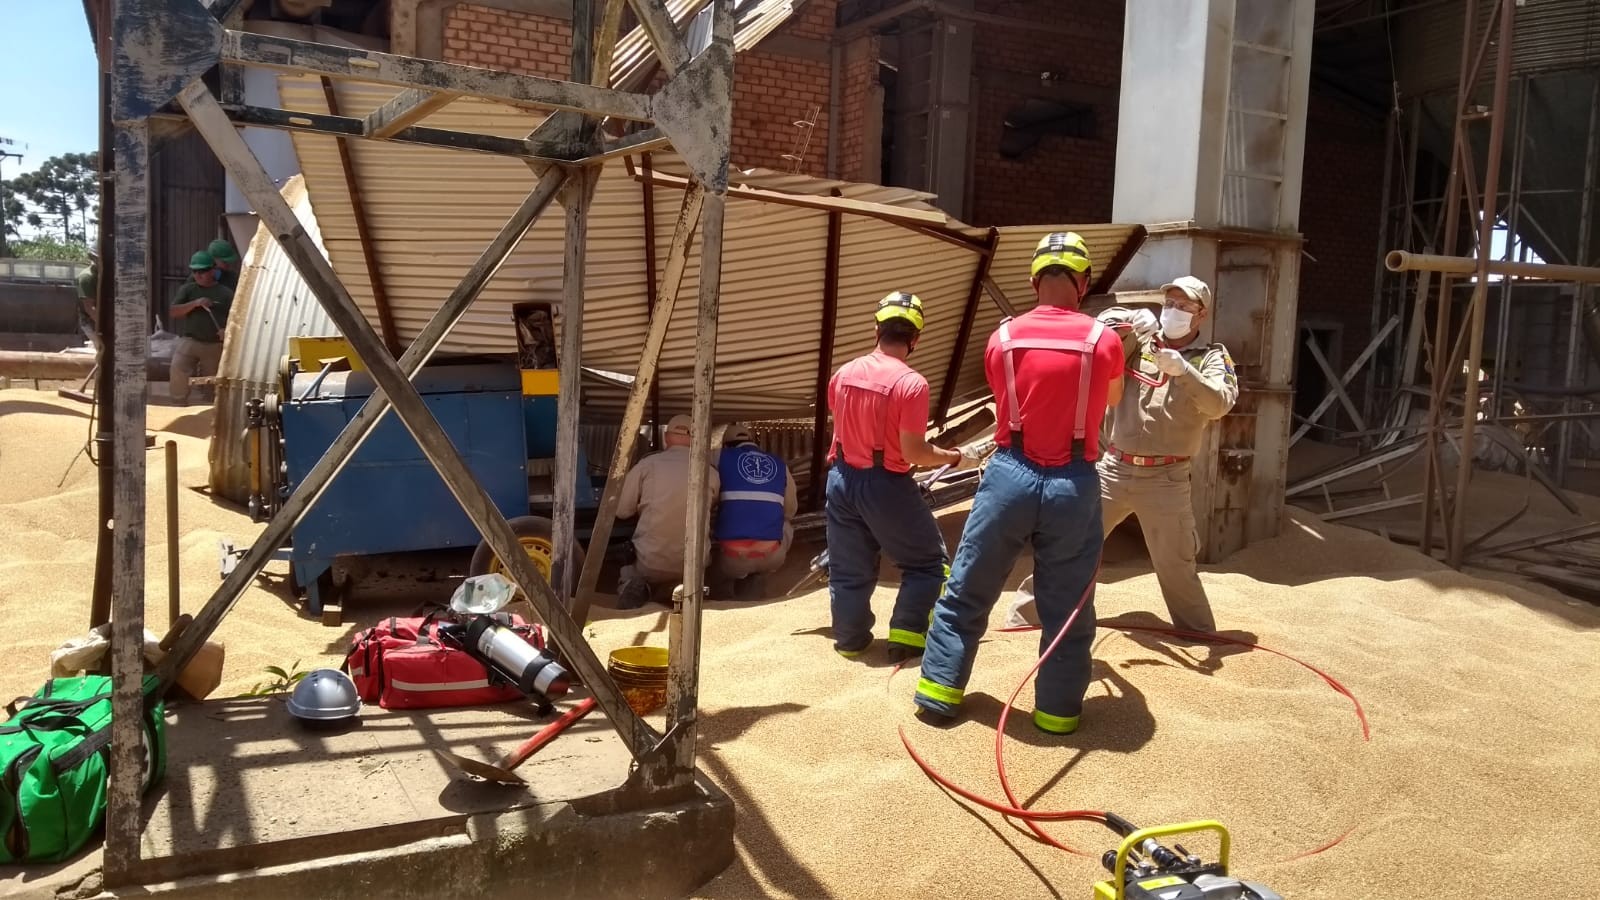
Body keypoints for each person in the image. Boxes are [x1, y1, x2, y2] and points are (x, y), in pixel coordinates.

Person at [915, 232, 1125, 735]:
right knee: (1068, 605)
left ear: (1035, 281)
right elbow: (1113, 397)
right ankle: (1056, 714)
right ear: (1083, 281)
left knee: (968, 586)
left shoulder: (1003, 337)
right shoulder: (1104, 340)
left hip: (1010, 474)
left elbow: (1005, 395)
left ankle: (939, 692)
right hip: (1073, 483)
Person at [1004, 275, 1238, 633]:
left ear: (1201, 315)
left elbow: (1219, 404)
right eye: (1169, 304)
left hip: (1166, 478)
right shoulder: (1138, 345)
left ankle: (1197, 634)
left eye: (1184, 306)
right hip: (1114, 468)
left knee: (1176, 563)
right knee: (1070, 546)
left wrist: (1184, 371)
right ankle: (1024, 619)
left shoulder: (1211, 358)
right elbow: (1095, 333)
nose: (1173, 311)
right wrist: (1127, 319)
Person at [825, 291, 976, 662]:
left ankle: (851, 641)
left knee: (848, 567)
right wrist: (957, 458)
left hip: (842, 479)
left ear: (876, 329)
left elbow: (840, 424)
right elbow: (915, 453)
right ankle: (907, 639)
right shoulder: (912, 384)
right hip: (885, 485)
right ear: (916, 337)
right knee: (927, 564)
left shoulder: (843, 374)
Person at [616, 414, 721, 609]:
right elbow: (713, 507)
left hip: (649, 563)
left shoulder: (646, 466)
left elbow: (622, 510)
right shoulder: (711, 473)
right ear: (697, 439)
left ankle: (635, 585)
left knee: (628, 564)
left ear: (666, 437)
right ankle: (679, 590)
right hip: (694, 566)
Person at [709, 425, 798, 601]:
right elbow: (790, 510)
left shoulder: (718, 457)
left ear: (726, 445)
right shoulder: (779, 464)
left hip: (732, 559)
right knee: (786, 523)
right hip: (772, 556)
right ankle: (760, 576)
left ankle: (726, 586)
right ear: (752, 441)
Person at [168, 250, 234, 406]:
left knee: (213, 380)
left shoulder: (225, 293)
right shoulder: (188, 289)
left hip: (213, 343)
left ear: (213, 270)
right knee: (178, 368)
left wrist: (227, 330)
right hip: (189, 340)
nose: (198, 275)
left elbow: (238, 318)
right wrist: (195, 304)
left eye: (203, 271)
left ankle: (212, 408)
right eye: (195, 271)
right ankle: (178, 403)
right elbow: (173, 312)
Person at [74, 252, 99, 351]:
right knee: (105, 352)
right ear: (94, 258)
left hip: (104, 322)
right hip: (92, 323)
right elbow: (90, 308)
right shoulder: (86, 277)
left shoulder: (105, 274)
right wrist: (106, 328)